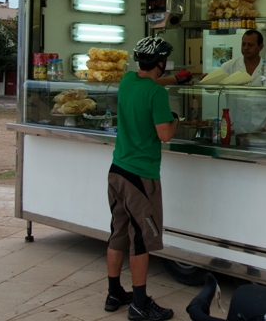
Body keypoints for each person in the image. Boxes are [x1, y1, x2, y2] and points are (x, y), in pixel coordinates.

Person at [105, 36, 179, 321]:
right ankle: (139, 303)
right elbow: (165, 134)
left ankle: (114, 293)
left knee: (118, 233)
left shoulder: (127, 80)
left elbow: (149, 83)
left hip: (117, 171)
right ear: (160, 62)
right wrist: (176, 119)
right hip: (141, 177)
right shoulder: (156, 95)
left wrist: (174, 79)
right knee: (142, 241)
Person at [216, 30, 266, 133]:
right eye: (243, 44)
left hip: (259, 130)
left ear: (260, 47)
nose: (246, 48)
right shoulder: (229, 66)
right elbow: (213, 81)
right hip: (234, 129)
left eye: (250, 45)